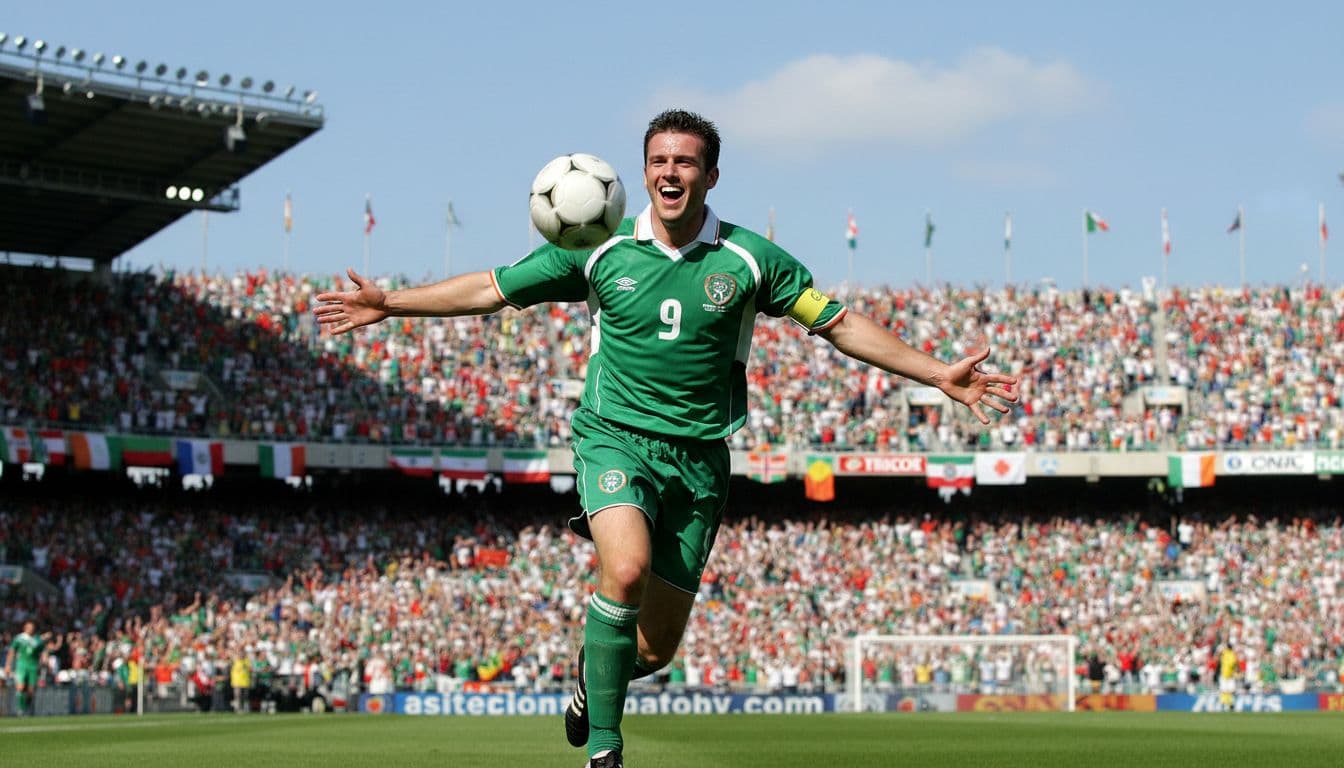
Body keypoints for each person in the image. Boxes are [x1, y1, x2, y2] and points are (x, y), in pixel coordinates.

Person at [314, 108, 1019, 768]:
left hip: (700, 461)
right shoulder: (595, 247)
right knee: (622, 569)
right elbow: (492, 288)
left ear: (711, 176)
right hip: (614, 438)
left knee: (651, 651)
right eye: (658, 160)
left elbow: (837, 323)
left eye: (685, 161)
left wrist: (937, 374)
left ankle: (597, 685)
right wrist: (391, 304)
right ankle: (606, 748)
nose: (670, 172)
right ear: (641, 171)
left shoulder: (751, 261)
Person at [5, 621, 51, 717]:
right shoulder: (19, 638)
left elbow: (44, 651)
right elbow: (12, 651)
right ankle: (21, 709)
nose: (31, 629)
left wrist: (45, 661)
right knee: (20, 687)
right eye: (29, 627)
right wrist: (8, 665)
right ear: (25, 628)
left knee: (31, 690)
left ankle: (27, 707)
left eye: (32, 627)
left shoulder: (38, 640)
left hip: (33, 666)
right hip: (21, 664)